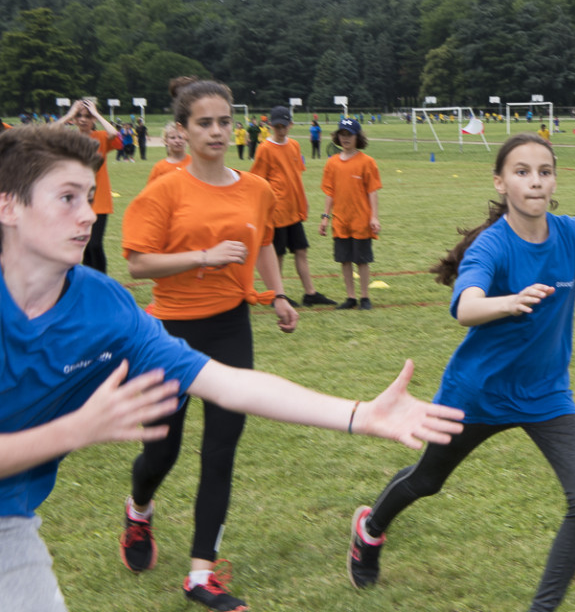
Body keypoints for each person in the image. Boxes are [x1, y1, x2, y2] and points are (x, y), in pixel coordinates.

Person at [0, 123, 464, 612]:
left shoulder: (104, 307)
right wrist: (73, 430)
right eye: (67, 198)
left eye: (90, 196)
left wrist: (358, 414)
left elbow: (227, 383)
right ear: (8, 205)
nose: (88, 215)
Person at [346, 132, 575, 611]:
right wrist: (509, 302)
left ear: (554, 179)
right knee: (427, 480)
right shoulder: (493, 246)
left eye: (544, 171)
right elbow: (465, 306)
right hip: (476, 395)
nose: (535, 182)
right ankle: (370, 529)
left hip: (545, 396)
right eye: (522, 172)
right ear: (501, 183)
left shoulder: (574, 236)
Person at [116, 78, 314, 610]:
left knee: (220, 451)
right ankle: (139, 510)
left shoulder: (255, 188)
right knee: (163, 451)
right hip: (169, 335)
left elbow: (265, 243)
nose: (217, 131)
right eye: (204, 122)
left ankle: (202, 574)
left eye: (224, 121)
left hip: (230, 328)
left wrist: (276, 295)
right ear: (181, 130)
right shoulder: (163, 189)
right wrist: (203, 256)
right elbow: (137, 263)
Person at [250, 105, 336, 307]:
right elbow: (257, 181)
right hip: (276, 212)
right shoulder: (265, 149)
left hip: (294, 211)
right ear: (271, 125)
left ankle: (310, 293)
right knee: (277, 254)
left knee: (301, 250)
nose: (281, 130)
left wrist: (301, 202)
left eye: (284, 125)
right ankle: (277, 295)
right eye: (277, 126)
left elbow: (296, 176)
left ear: (291, 124)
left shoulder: (294, 146)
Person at [54, 98, 122, 273]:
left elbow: (114, 134)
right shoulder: (69, 139)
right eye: (79, 116)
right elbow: (48, 132)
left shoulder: (100, 137)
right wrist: (69, 114)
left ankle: (101, 280)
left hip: (99, 200)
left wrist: (97, 114)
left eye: (87, 116)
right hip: (76, 200)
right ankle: (89, 280)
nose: (83, 120)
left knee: (95, 244)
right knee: (83, 245)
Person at [319, 118, 381, 310]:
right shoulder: (332, 163)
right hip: (340, 220)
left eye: (349, 134)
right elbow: (330, 192)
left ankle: (364, 297)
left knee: (362, 260)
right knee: (344, 259)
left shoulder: (367, 162)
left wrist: (374, 216)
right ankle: (351, 297)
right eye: (342, 134)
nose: (345, 138)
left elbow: (372, 191)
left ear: (357, 137)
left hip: (360, 219)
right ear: (338, 137)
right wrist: (325, 217)